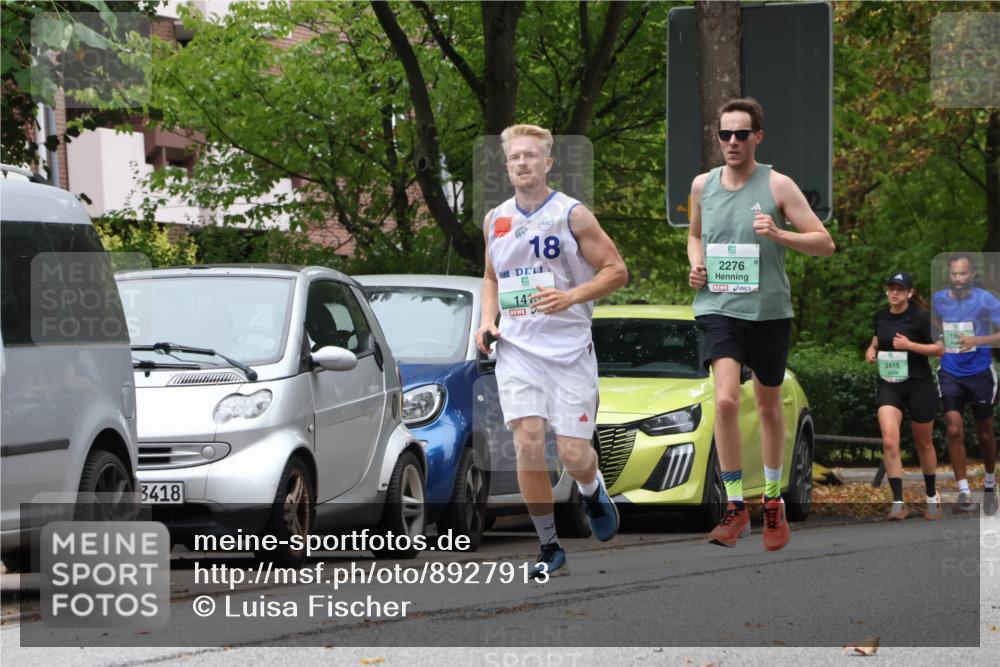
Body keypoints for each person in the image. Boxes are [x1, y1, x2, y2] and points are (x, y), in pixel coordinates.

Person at [476, 124, 629, 578]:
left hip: (568, 352)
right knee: (526, 442)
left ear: (547, 163)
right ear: (507, 166)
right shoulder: (495, 219)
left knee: (573, 454)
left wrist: (571, 296)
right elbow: (490, 278)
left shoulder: (572, 215)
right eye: (514, 157)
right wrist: (488, 320)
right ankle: (548, 545)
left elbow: (617, 271)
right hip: (518, 349)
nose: (522, 163)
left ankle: (591, 488)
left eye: (530, 156)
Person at [687, 97, 835, 551]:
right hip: (718, 308)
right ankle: (735, 507)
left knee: (769, 409)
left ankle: (772, 502)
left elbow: (824, 243)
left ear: (757, 138)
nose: (731, 142)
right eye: (724, 134)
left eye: (740, 134)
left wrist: (779, 234)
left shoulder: (778, 185)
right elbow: (695, 236)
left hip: (768, 312)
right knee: (727, 401)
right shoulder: (702, 186)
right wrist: (696, 267)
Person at [866, 272, 945, 521]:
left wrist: (911, 346)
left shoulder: (920, 318)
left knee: (924, 443)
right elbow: (878, 337)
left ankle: (932, 497)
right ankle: (898, 502)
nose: (895, 293)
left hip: (919, 384)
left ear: (910, 293)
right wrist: (872, 349)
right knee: (890, 441)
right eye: (891, 288)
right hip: (891, 384)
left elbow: (941, 349)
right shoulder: (881, 315)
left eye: (900, 289)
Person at [931, 252, 1000, 516]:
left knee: (984, 432)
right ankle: (963, 491)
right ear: (949, 275)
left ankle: (990, 483)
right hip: (950, 371)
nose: (958, 279)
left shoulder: (986, 300)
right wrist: (942, 338)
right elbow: (937, 320)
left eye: (963, 274)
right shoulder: (939, 300)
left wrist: (977, 341)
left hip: (980, 372)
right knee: (954, 429)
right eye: (954, 274)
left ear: (971, 275)